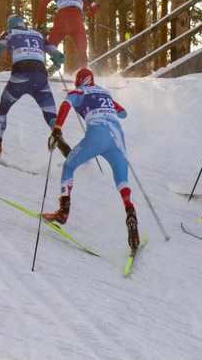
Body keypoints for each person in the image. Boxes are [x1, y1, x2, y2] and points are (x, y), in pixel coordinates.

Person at [43, 68, 141, 251]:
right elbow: (123, 113)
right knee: (122, 180)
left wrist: (57, 129)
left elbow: (65, 104)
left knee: (69, 166)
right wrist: (106, 106)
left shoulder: (79, 91)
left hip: (97, 135)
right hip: (117, 138)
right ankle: (131, 214)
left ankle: (63, 211)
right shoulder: (105, 92)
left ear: (80, 81)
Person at [0, 14, 71, 159]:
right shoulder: (38, 35)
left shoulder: (9, 33)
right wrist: (51, 69)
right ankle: (57, 135)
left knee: (3, 108)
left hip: (20, 76)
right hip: (40, 78)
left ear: (10, 25)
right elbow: (61, 57)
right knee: (50, 113)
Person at [35, 0, 99, 70]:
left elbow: (42, 4)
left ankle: (56, 62)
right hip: (78, 20)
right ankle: (85, 72)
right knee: (82, 52)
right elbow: (94, 7)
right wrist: (88, 17)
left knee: (50, 45)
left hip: (62, 19)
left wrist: (39, 23)